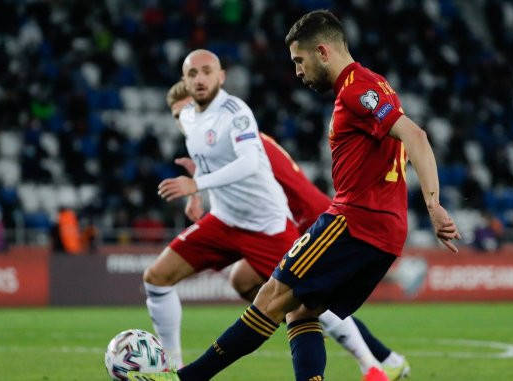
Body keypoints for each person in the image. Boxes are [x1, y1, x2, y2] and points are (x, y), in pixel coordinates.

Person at [177, 10, 460, 381]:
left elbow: (417, 137)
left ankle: (186, 378)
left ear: (323, 52)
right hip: (386, 232)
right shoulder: (375, 85)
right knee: (303, 311)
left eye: (299, 60)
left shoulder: (357, 90)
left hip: (353, 220)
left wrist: (434, 204)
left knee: (271, 297)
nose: (297, 71)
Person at [164, 80, 410, 380]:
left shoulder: (235, 134)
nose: (185, 121)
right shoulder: (221, 139)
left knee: (297, 302)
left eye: (188, 111)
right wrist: (197, 191)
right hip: (300, 217)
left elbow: (244, 178)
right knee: (253, 284)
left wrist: (199, 187)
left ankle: (374, 365)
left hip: (306, 218)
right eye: (177, 117)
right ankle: (384, 358)